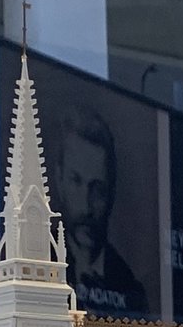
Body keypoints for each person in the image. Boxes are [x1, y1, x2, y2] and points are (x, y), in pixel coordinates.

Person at [55, 111, 145, 315]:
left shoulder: (131, 288)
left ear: (111, 194)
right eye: (76, 181)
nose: (86, 207)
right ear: (59, 180)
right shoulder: (35, 267)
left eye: (98, 189)